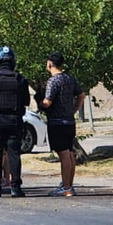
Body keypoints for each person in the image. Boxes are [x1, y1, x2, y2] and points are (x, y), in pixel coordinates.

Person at [0, 46, 30, 198]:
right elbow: (26, 101)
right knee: (14, 154)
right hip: (14, 120)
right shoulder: (20, 79)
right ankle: (15, 188)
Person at [35, 51, 85, 197]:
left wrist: (39, 103)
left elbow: (47, 102)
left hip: (57, 122)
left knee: (63, 154)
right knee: (69, 153)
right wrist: (74, 109)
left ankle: (66, 187)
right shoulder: (69, 78)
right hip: (69, 121)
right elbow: (81, 95)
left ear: (49, 63)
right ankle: (69, 184)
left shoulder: (53, 81)